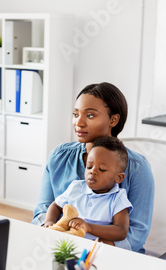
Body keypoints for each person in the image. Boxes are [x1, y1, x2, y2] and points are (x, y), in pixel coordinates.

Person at [32, 82, 154, 253]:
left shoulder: (137, 168)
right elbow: (42, 211)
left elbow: (137, 232)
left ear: (113, 120)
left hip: (108, 254)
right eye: (75, 114)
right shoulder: (58, 156)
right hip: (58, 245)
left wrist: (89, 248)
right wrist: (53, 232)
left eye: (89, 116)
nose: (78, 123)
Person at [43, 137, 132, 249]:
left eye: (102, 169)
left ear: (119, 177)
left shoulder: (118, 198)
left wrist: (88, 227)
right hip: (72, 241)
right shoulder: (75, 187)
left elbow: (121, 231)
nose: (93, 171)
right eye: (89, 167)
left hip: (98, 245)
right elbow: (56, 205)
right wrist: (49, 221)